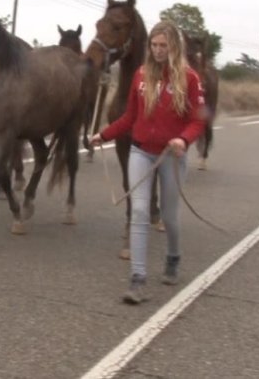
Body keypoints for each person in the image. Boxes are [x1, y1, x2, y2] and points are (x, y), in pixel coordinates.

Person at [90, 21, 205, 305]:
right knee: (139, 212)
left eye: (164, 46)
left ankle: (173, 257)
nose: (158, 50)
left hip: (171, 155)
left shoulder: (189, 78)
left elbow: (197, 120)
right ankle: (137, 279)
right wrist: (103, 135)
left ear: (174, 47)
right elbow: (130, 117)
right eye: (154, 45)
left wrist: (183, 140)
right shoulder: (141, 75)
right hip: (140, 152)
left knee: (169, 216)